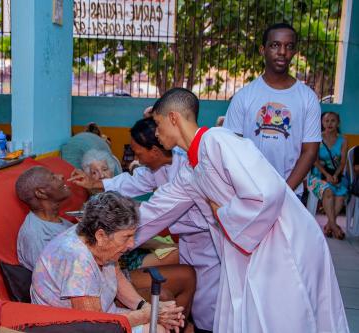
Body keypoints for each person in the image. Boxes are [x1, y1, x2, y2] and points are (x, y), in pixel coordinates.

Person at [142, 87, 348, 332]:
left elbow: (267, 192)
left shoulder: (219, 140)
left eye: (157, 123)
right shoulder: (191, 170)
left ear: (173, 118)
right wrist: (109, 229)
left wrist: (224, 214)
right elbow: (156, 210)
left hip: (283, 240)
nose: (156, 132)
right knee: (252, 317)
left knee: (284, 317)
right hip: (249, 244)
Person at [70, 117, 220, 332]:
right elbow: (133, 182)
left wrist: (115, 232)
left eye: (139, 153)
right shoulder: (157, 167)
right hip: (187, 241)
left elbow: (154, 213)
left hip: (209, 244)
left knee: (210, 305)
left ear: (155, 152)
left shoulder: (188, 169)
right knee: (196, 299)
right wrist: (96, 184)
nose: (137, 160)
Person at [31, 191, 186, 333]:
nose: (132, 244)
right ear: (100, 235)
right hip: (73, 327)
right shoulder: (78, 260)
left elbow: (115, 275)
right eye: (127, 236)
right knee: (157, 330)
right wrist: (148, 315)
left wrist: (145, 307)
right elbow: (95, 326)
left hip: (104, 316)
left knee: (161, 323)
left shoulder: (96, 241)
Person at [223, 23, 321, 197]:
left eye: (289, 46)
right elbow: (231, 149)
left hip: (291, 194)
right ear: (263, 50)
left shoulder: (308, 98)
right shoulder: (244, 96)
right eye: (275, 45)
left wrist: (284, 193)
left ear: (294, 52)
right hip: (249, 193)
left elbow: (310, 151)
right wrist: (247, 187)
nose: (282, 52)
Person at [15, 166, 73, 271]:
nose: (61, 176)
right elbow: (49, 278)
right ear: (41, 193)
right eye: (53, 177)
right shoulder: (35, 236)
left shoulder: (55, 220)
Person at [307, 112, 348, 239]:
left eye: (333, 121)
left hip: (335, 176)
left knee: (340, 197)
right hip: (317, 176)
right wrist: (326, 175)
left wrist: (335, 175)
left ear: (338, 123)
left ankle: (329, 226)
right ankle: (335, 227)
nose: (329, 123)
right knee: (328, 191)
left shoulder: (343, 140)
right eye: (326, 121)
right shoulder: (317, 138)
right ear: (322, 123)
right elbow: (315, 160)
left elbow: (342, 162)